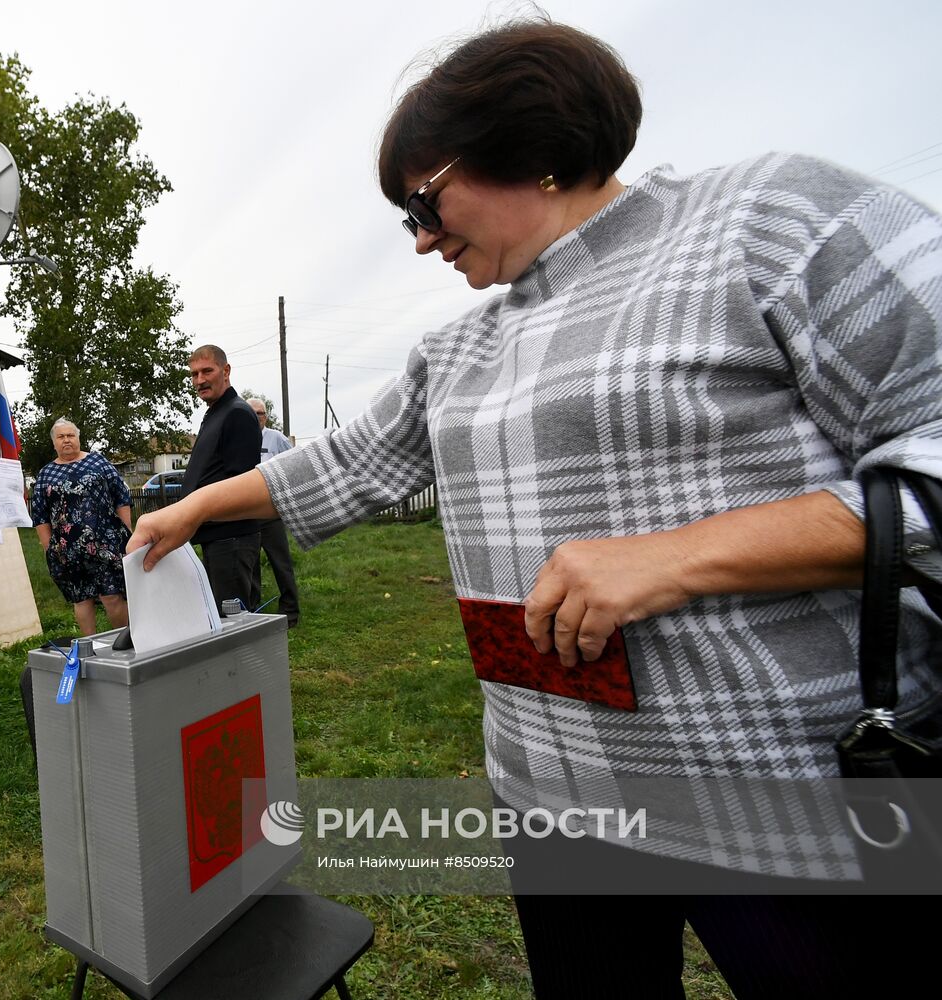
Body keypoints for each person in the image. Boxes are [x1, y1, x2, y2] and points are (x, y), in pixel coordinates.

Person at [129, 18, 942, 996]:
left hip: (784, 800)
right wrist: (194, 506)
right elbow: (342, 464)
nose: (421, 240)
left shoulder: (769, 219)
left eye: (421, 203)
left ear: (532, 146)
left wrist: (675, 555)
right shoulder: (458, 348)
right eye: (405, 220)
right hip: (549, 795)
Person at [31, 418, 132, 636]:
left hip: (106, 543)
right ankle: (91, 649)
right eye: (61, 437)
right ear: (54, 443)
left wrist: (127, 535)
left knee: (112, 594)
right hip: (68, 551)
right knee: (81, 598)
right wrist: (50, 549)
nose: (66, 440)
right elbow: (39, 516)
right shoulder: (46, 474)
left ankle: (125, 645)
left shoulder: (99, 462)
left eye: (70, 435)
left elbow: (121, 498)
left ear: (78, 438)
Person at [184, 345, 262, 612]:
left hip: (232, 539)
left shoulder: (237, 413)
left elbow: (241, 486)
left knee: (235, 625)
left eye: (207, 371)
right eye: (194, 374)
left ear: (226, 371)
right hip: (217, 538)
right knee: (221, 620)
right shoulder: (216, 412)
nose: (199, 380)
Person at [246, 396, 300, 627]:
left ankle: (290, 611)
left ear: (265, 416)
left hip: (271, 512)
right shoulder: (240, 439)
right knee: (250, 565)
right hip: (246, 513)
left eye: (259, 413)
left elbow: (294, 462)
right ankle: (253, 611)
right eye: (251, 413)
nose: (256, 417)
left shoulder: (276, 438)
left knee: (281, 562)